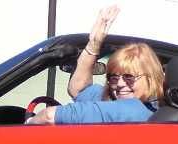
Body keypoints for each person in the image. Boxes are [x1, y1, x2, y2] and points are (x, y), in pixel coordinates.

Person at [26, 6, 164, 125]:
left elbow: (49, 116)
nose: (120, 84)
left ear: (150, 78)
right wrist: (93, 45)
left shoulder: (133, 109)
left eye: (129, 77)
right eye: (113, 77)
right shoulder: (120, 101)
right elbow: (79, 90)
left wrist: (28, 124)